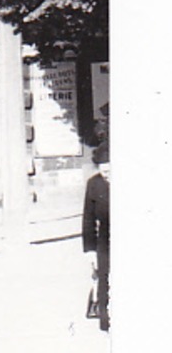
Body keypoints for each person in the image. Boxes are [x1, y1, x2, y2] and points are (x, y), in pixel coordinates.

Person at [82, 138, 110, 330]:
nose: (106, 171)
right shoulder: (94, 184)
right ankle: (105, 320)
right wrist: (90, 251)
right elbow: (88, 219)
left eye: (109, 166)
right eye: (102, 167)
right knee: (103, 278)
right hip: (104, 241)